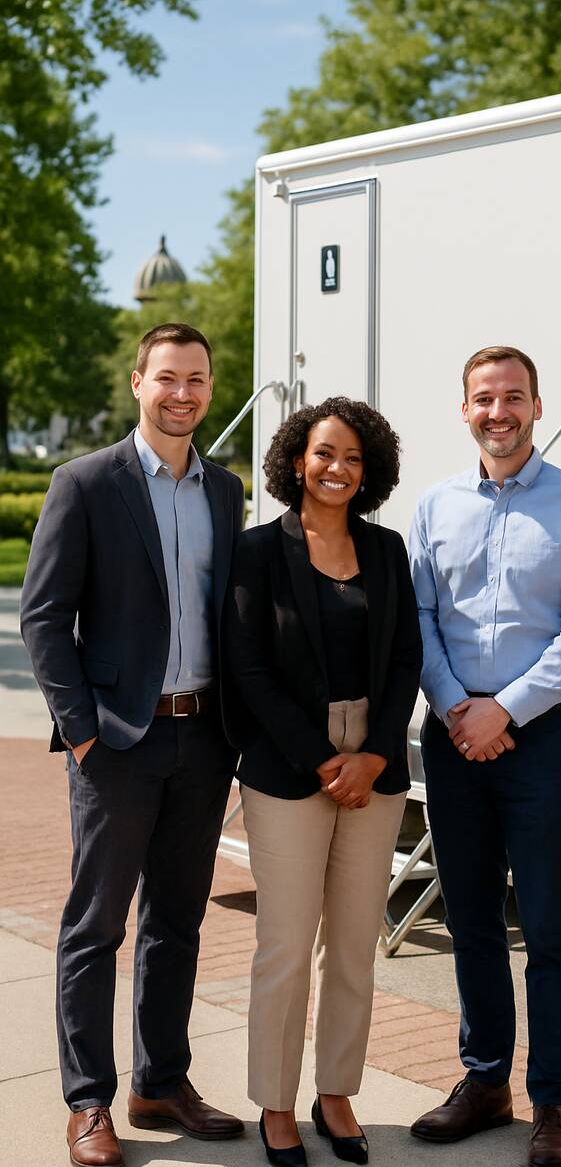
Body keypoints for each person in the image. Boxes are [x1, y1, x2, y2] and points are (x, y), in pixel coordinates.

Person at [20, 323, 245, 1166]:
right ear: (137, 383)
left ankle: (161, 1081)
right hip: (117, 743)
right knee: (96, 927)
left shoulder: (226, 492)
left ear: (211, 389)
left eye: (197, 379)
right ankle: (88, 1101)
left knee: (177, 923)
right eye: (167, 377)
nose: (182, 393)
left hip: (203, 737)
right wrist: (82, 734)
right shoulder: (85, 482)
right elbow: (44, 617)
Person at [408, 346, 561, 1167]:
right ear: (464, 409)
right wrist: (458, 707)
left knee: (551, 924)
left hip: (544, 740)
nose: (499, 412)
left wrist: (506, 709)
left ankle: (553, 1101)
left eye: (514, 397)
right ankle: (485, 1079)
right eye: (484, 399)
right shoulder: (434, 505)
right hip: (455, 734)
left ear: (536, 405)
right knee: (469, 917)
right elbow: (420, 617)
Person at [225, 396, 422, 1167]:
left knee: (353, 944)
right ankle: (276, 1103)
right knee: (284, 943)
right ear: (296, 461)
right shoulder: (257, 551)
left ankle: (335, 1093)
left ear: (369, 472)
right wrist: (320, 758)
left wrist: (373, 754)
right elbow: (248, 667)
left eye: (353, 458)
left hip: (374, 765)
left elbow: (405, 658)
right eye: (324, 453)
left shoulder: (387, 550)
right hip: (288, 766)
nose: (337, 468)